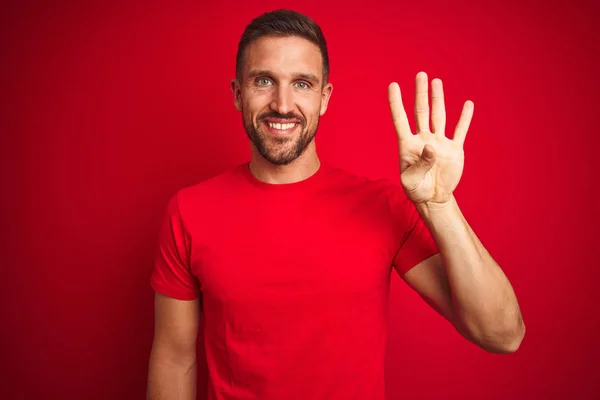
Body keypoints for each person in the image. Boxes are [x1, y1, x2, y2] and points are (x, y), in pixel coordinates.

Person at [146, 9, 525, 400]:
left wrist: (441, 205)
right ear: (238, 93)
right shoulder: (189, 212)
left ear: (324, 97)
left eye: (303, 84)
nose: (282, 103)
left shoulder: (382, 206)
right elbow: (175, 361)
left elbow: (502, 334)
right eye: (263, 81)